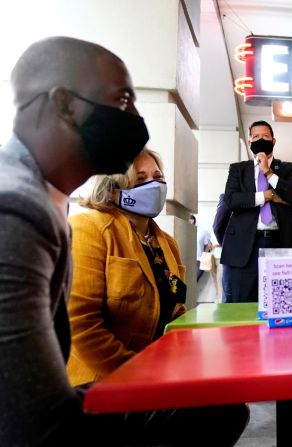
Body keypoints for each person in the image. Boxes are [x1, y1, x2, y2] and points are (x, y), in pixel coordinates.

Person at [0, 36, 246, 446]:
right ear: (64, 104)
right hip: (86, 399)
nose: (134, 119)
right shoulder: (16, 210)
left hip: (113, 389)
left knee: (221, 403)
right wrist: (151, 381)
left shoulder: (47, 201)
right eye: (122, 101)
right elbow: (31, 419)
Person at [66, 149, 186, 384]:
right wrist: (139, 374)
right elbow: (79, 323)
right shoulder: (87, 227)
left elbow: (177, 310)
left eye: (158, 177)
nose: (156, 185)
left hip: (157, 370)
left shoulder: (167, 244)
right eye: (141, 179)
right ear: (112, 191)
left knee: (229, 403)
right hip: (101, 380)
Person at [219, 120, 292, 302]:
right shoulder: (238, 170)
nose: (260, 140)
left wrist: (267, 172)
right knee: (242, 303)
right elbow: (231, 199)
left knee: (281, 301)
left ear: (273, 141)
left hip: (280, 242)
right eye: (255, 136)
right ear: (249, 142)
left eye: (265, 136)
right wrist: (265, 196)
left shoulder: (288, 168)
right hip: (245, 245)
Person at [190, 213, 212, 281]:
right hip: (185, 260)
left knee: (193, 281)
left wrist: (204, 257)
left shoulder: (202, 231)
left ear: (192, 220)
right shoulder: (183, 230)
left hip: (198, 260)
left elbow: (208, 245)